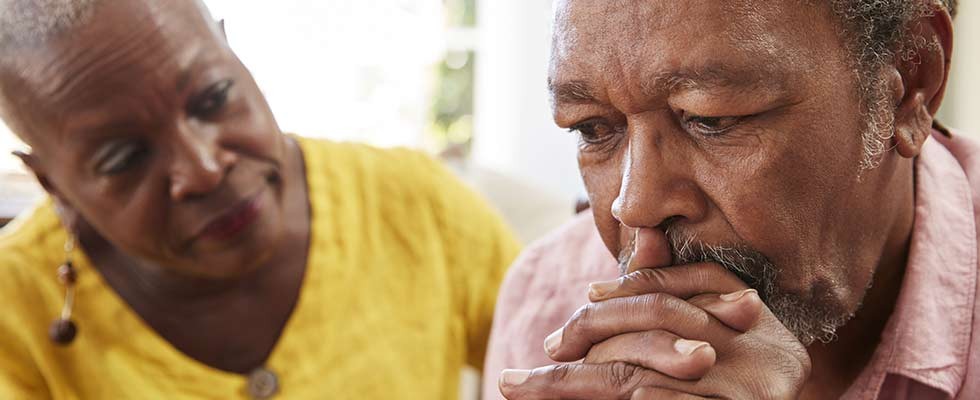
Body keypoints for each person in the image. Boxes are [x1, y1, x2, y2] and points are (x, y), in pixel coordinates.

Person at [0, 0, 520, 398]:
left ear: (235, 58)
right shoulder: (12, 311)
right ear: (55, 185)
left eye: (214, 98)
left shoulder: (419, 207)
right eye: (124, 158)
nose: (203, 170)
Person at [484, 0, 978, 399]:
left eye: (712, 119)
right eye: (592, 129)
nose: (635, 206)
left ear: (910, 81)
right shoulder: (544, 305)